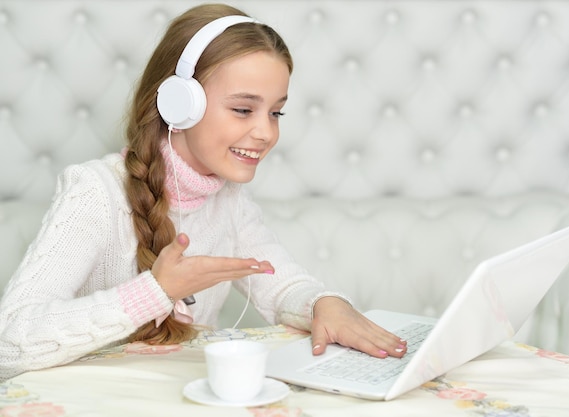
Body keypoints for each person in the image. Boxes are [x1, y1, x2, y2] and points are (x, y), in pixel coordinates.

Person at [0, 3, 406, 381]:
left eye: (276, 111)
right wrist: (156, 292)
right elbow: (10, 342)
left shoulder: (229, 200)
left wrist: (323, 303)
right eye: (244, 109)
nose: (266, 132)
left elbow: (281, 284)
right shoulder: (94, 191)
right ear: (179, 104)